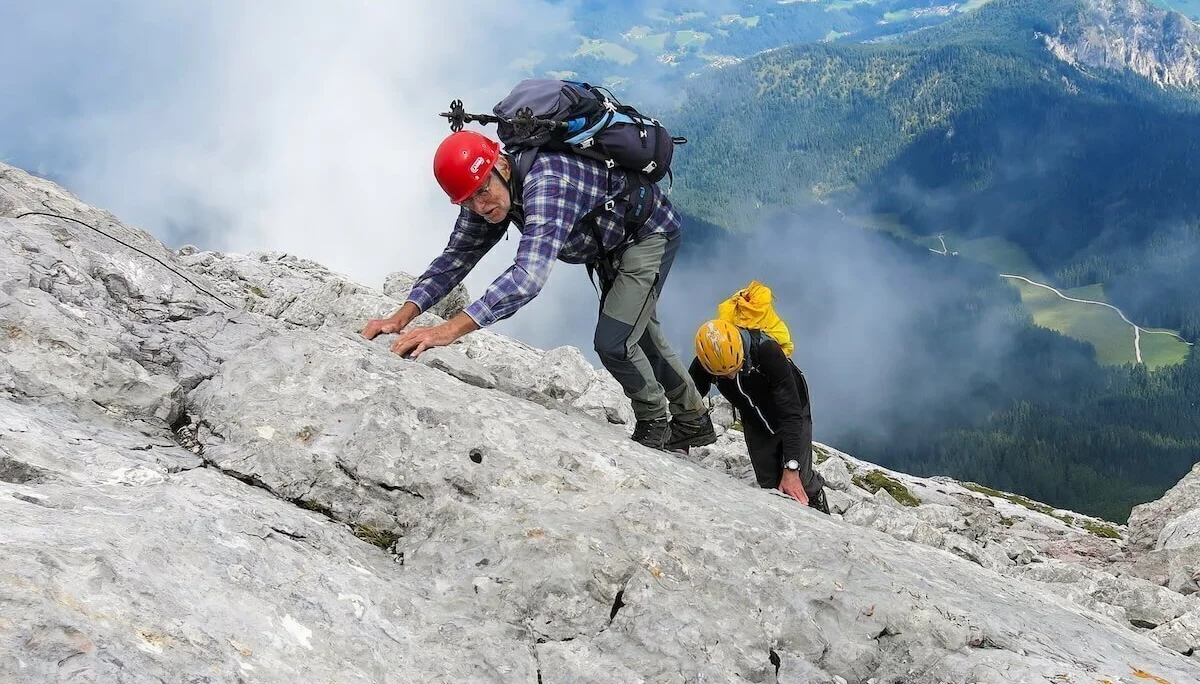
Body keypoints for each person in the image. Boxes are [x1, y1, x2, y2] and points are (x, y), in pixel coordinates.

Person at [361, 129, 717, 452]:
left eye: (483, 191)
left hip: (647, 235)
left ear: (501, 164)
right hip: (613, 243)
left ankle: (654, 423)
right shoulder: (487, 188)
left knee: (615, 341)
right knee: (638, 334)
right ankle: (694, 421)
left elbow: (528, 278)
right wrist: (400, 317)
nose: (480, 207)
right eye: (467, 201)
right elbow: (455, 259)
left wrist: (446, 331)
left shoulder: (548, 181)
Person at [689, 319, 829, 513]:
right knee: (770, 485)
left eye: (734, 368)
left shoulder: (767, 351)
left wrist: (791, 467)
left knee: (799, 479)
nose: (730, 376)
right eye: (722, 374)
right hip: (754, 419)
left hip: (791, 412)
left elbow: (791, 413)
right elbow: (691, 398)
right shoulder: (707, 361)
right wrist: (681, 438)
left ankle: (816, 498)